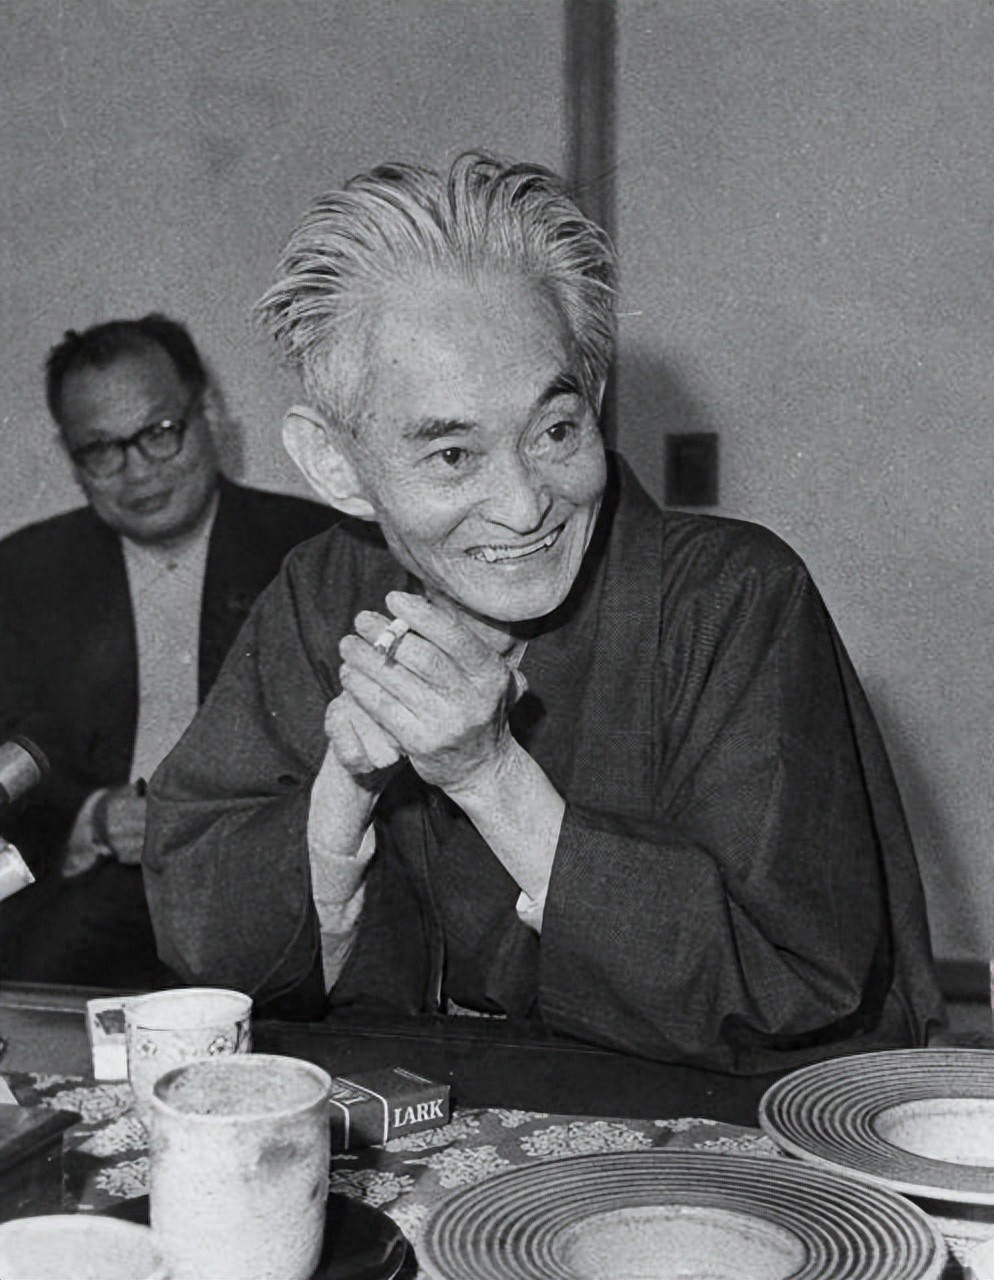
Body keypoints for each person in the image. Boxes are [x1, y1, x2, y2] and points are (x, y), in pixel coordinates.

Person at [144, 156, 944, 1070]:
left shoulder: (732, 596)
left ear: (592, 400)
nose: (526, 506)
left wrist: (489, 777)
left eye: (555, 431)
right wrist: (343, 791)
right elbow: (203, 941)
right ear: (336, 465)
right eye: (453, 456)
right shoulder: (323, 590)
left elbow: (796, 987)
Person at [0, 314, 333, 986]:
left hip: (274, 885)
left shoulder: (315, 549)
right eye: (101, 450)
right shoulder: (22, 572)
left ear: (206, 412)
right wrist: (92, 818)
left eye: (158, 432)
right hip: (90, 886)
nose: (137, 472)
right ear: (70, 454)